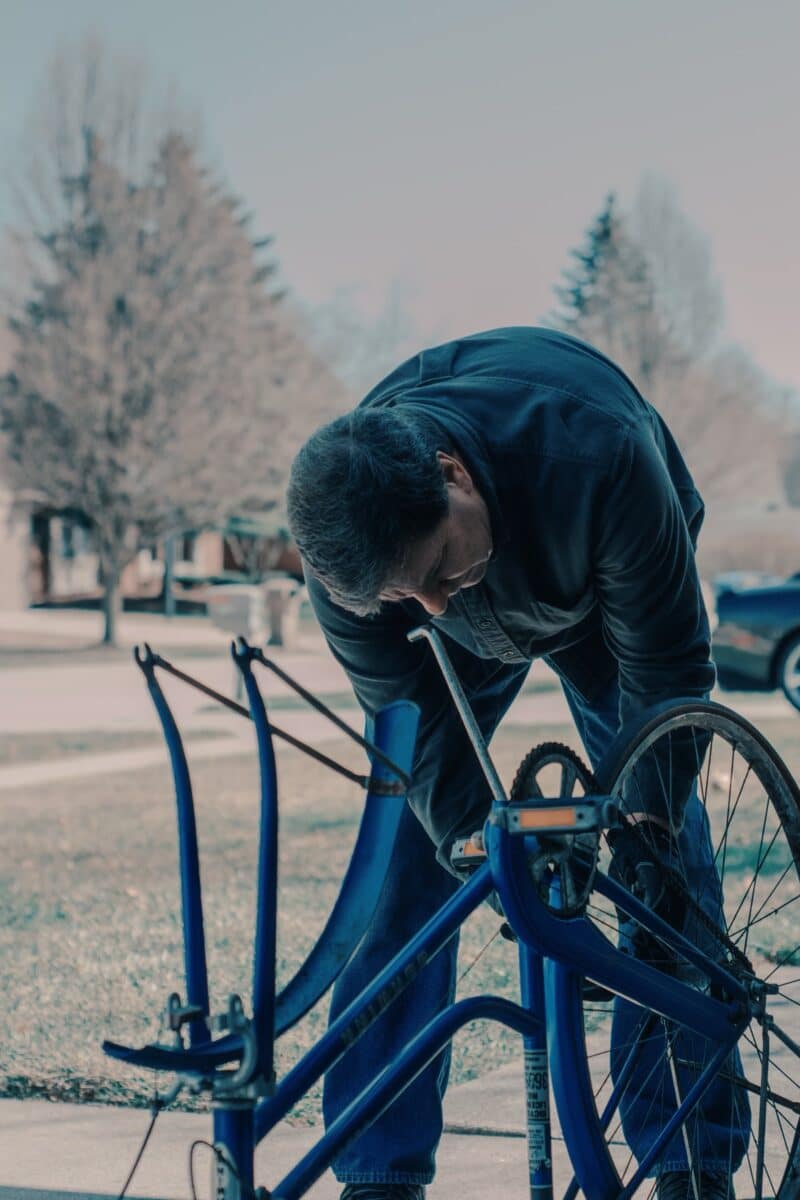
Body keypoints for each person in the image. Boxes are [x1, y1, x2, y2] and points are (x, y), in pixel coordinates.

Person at [286, 326, 744, 1200]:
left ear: (452, 474)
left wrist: (641, 821)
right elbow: (407, 725)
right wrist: (474, 843)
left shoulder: (597, 454)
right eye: (399, 595)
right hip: (469, 627)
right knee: (407, 854)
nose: (421, 600)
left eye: (431, 567)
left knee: (664, 861)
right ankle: (379, 1169)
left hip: (605, 599)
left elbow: (670, 673)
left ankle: (687, 1155)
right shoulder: (353, 556)